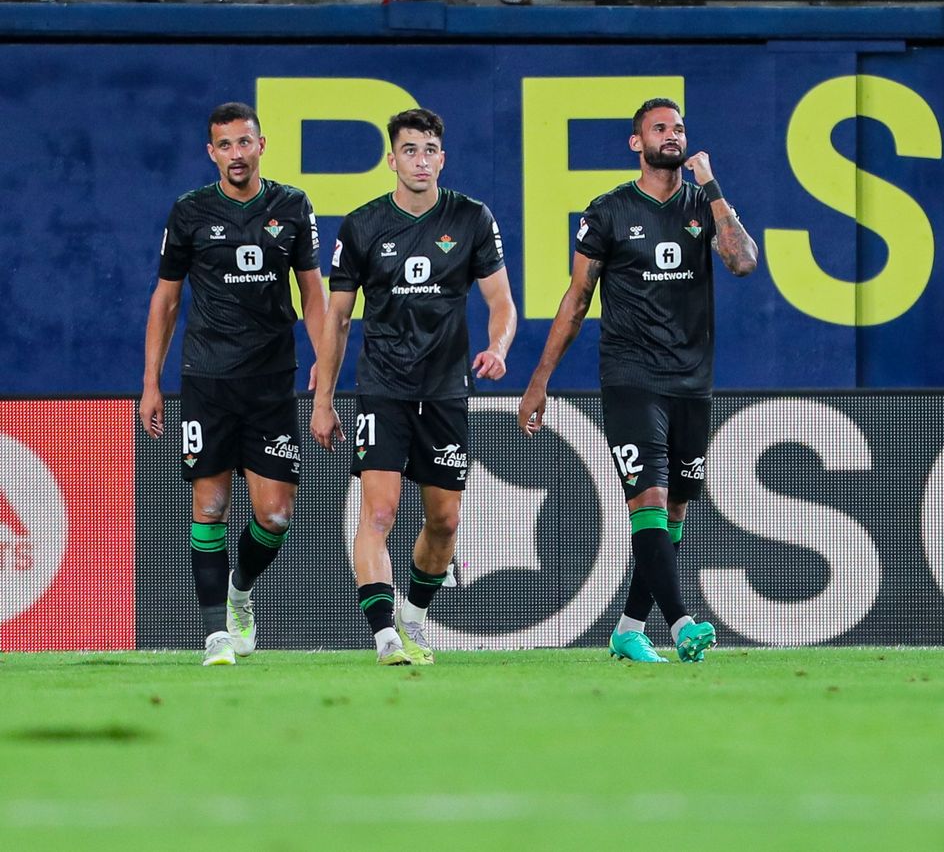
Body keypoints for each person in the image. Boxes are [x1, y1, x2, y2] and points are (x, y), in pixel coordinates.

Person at [516, 97, 758, 664]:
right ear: (636, 143)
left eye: (679, 127)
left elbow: (743, 261)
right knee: (646, 501)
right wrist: (539, 381)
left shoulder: (703, 202)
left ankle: (628, 627)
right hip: (630, 376)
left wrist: (714, 185)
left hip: (692, 382)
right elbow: (577, 300)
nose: (672, 135)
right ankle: (681, 625)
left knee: (673, 513)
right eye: (659, 128)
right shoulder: (607, 211)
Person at [311, 108, 516, 667]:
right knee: (378, 515)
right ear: (391, 158)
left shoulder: (471, 218)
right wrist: (324, 400)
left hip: (446, 389)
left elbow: (501, 302)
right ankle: (384, 636)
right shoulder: (361, 226)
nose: (420, 160)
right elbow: (338, 320)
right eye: (409, 150)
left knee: (444, 520)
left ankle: (417, 616)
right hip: (383, 387)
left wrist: (497, 349)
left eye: (429, 150)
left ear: (441, 158)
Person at [140, 102, 328, 667]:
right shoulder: (190, 211)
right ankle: (214, 634)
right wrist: (151, 383)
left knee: (275, 516)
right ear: (212, 153)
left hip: (272, 380)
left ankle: (240, 593)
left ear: (261, 145)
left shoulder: (292, 205)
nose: (236, 154)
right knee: (210, 504)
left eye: (244, 143)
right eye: (225, 146)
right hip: (207, 378)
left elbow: (313, 293)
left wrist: (326, 364)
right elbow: (166, 299)